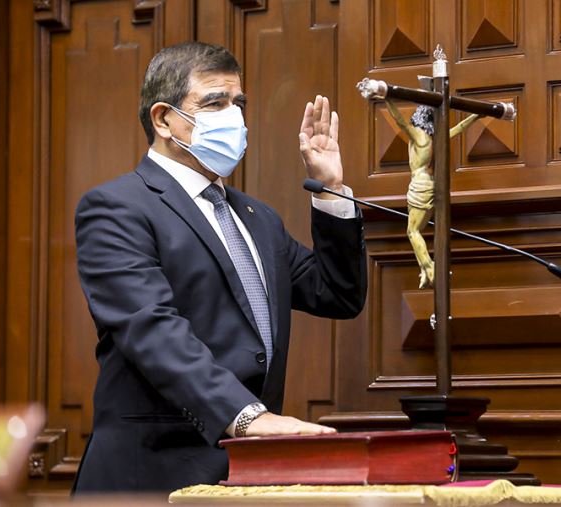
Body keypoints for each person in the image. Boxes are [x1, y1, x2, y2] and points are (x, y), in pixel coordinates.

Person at [72, 42, 367, 493]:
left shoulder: (258, 218)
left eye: (238, 103)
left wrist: (330, 188)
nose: (234, 117)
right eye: (214, 103)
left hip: (245, 476)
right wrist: (247, 417)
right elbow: (151, 329)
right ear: (163, 119)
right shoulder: (116, 208)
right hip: (151, 478)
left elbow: (337, 294)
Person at [383, 99, 478, 288]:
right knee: (417, 228)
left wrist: (387, 98)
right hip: (432, 183)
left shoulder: (418, 136)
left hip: (420, 185)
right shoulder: (437, 137)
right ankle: (424, 271)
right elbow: (459, 128)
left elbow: (399, 121)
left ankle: (430, 268)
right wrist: (476, 116)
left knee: (412, 231)